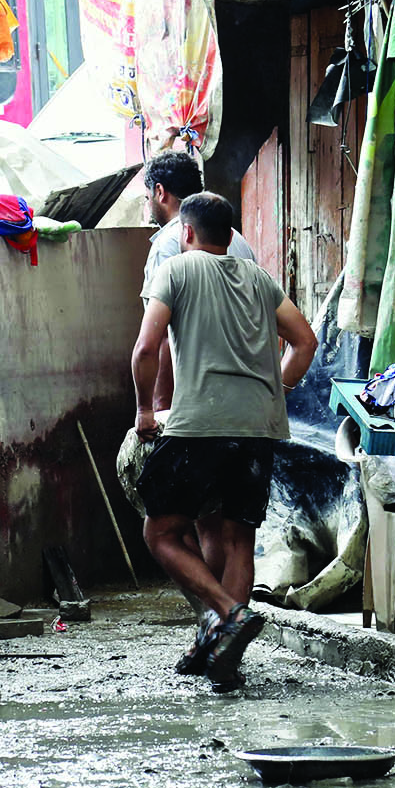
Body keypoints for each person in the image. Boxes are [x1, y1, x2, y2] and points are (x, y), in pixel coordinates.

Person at [131, 191, 317, 689]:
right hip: (257, 428)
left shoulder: (176, 270)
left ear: (186, 233)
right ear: (230, 236)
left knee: (161, 532)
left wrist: (145, 409)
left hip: (200, 425)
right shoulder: (259, 278)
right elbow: (306, 341)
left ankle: (227, 614)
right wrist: (275, 388)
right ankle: (220, 653)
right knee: (237, 539)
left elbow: (147, 347)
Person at [141, 151, 258, 413]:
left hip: (195, 401)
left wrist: (158, 410)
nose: (149, 205)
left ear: (160, 192)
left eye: (148, 198)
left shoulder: (167, 244)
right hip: (244, 395)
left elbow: (159, 339)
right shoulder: (237, 239)